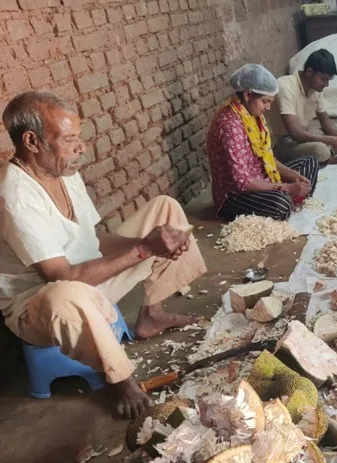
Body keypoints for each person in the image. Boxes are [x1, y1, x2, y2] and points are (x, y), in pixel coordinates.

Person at [0, 91, 208, 418]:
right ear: (32, 141)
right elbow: (61, 277)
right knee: (67, 295)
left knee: (165, 211)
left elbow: (94, 239)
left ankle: (151, 314)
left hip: (89, 278)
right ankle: (118, 378)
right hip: (41, 305)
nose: (80, 147)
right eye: (69, 140)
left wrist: (150, 241)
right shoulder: (14, 194)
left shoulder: (62, 172)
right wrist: (143, 249)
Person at [207, 63, 318, 221]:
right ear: (248, 94)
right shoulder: (230, 125)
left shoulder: (252, 114)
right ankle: (288, 200)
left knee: (309, 163)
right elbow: (243, 183)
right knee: (281, 203)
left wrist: (294, 176)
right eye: (265, 101)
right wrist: (287, 187)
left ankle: (290, 198)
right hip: (235, 195)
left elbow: (267, 158)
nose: (268, 107)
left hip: (262, 177)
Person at [271, 49, 337, 165]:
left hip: (305, 134)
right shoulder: (286, 86)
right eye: (323, 79)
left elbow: (326, 124)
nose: (326, 85)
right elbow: (295, 134)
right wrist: (332, 140)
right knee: (321, 150)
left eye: (328, 80)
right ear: (309, 72)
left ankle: (328, 151)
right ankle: (326, 156)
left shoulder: (316, 89)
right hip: (287, 142)